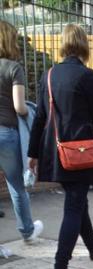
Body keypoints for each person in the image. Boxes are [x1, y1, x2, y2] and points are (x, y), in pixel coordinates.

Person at [28, 24, 93, 269]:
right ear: (83, 45)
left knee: (78, 201)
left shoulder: (48, 75)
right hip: (79, 152)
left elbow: (39, 119)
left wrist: (32, 153)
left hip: (55, 151)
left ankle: (92, 247)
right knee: (74, 206)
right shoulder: (89, 77)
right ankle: (60, 266)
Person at [0, 20, 42, 241]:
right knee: (16, 185)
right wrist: (30, 111)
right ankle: (27, 231)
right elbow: (19, 107)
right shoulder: (13, 68)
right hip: (6, 133)